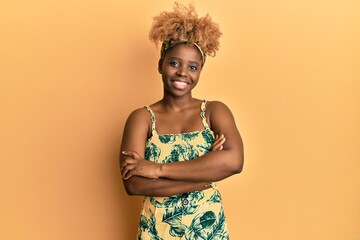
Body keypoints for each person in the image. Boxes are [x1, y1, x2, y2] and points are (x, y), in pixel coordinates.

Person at [120, 3, 244, 239]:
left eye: (192, 67)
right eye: (174, 63)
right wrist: (206, 175)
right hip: (157, 232)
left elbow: (234, 162)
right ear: (160, 65)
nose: (182, 73)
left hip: (208, 231)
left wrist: (157, 169)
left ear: (199, 72)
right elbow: (134, 185)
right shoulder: (142, 119)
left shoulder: (214, 112)